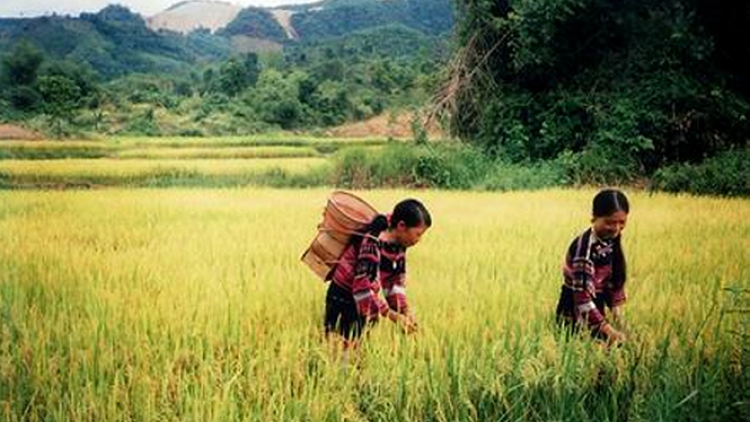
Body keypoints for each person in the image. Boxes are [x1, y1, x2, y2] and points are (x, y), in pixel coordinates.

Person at [324, 198, 431, 347]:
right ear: (401, 226)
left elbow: (394, 282)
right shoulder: (371, 243)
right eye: (418, 234)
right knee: (342, 349)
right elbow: (362, 289)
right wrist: (393, 315)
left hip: (363, 298)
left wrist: (404, 310)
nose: (419, 239)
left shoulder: (398, 245)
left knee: (359, 349)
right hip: (343, 297)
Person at [556, 189, 630, 346]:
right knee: (581, 352)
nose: (616, 228)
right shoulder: (584, 249)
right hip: (574, 310)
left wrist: (621, 323)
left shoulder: (610, 240)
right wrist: (609, 331)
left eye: (622, 222)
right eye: (610, 222)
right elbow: (582, 299)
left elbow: (613, 282)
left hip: (595, 307)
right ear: (594, 217)